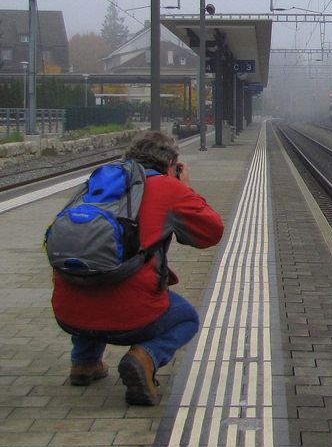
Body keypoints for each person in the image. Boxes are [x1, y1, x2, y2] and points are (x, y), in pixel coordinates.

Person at [50, 130, 224, 406]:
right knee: (187, 318)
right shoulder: (169, 188)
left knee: (94, 271)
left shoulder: (97, 182)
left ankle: (84, 362)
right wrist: (186, 188)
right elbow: (211, 233)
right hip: (131, 318)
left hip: (68, 312)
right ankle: (144, 357)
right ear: (171, 165)